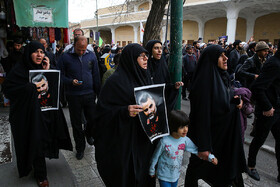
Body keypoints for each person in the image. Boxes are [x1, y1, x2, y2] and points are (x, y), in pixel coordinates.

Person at [2, 41, 72, 187]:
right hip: (27, 116)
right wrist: (29, 88)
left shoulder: (44, 67)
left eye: (42, 52)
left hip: (44, 113)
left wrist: (47, 70)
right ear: (29, 54)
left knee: (42, 139)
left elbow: (54, 88)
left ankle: (38, 164)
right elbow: (8, 90)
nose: (39, 55)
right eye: (36, 52)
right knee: (35, 140)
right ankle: (41, 175)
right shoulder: (19, 70)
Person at [94, 43, 157, 186]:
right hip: (123, 142)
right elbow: (101, 114)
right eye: (141, 57)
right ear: (131, 59)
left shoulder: (145, 77)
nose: (146, 59)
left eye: (146, 56)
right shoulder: (114, 82)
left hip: (142, 140)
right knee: (126, 176)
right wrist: (124, 111)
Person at [184, 45, 247, 186]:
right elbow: (201, 116)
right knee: (197, 170)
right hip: (210, 139)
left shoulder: (222, 76)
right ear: (211, 59)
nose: (226, 58)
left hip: (223, 138)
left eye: (226, 54)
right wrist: (204, 146)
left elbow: (223, 98)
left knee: (224, 173)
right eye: (221, 56)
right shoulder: (203, 84)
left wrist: (235, 100)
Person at [57, 36, 100, 160]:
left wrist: (99, 93)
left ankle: (88, 133)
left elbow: (96, 75)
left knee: (92, 120)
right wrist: (70, 81)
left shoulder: (91, 55)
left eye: (84, 49)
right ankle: (80, 148)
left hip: (89, 95)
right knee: (76, 124)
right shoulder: (65, 57)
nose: (81, 52)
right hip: (73, 96)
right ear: (73, 45)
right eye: (79, 49)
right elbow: (59, 74)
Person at [149, 110, 217, 187]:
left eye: (187, 126)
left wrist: (210, 157)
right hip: (164, 176)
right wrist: (152, 170)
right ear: (173, 126)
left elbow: (196, 150)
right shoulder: (164, 142)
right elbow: (155, 156)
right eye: (182, 127)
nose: (186, 129)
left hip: (176, 175)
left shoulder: (185, 140)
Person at [246, 43, 280, 182]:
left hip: (276, 108)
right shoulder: (275, 64)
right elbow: (258, 87)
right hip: (269, 110)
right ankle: (251, 166)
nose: (267, 52)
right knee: (259, 139)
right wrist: (267, 107)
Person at [145, 40, 183, 110]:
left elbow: (165, 85)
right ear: (150, 50)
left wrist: (174, 87)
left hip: (161, 103)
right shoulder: (145, 65)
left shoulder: (163, 64)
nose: (159, 51)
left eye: (161, 48)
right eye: (156, 48)